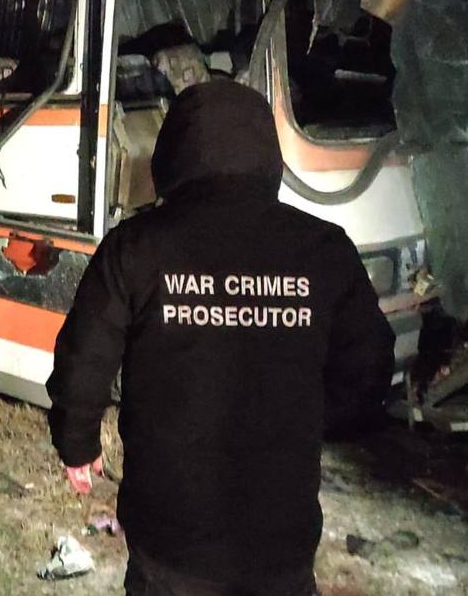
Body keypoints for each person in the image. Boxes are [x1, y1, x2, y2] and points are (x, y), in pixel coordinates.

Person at [47, 80, 395, 596]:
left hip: (169, 539)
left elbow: (84, 358)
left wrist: (77, 443)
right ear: (267, 153)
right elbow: (370, 369)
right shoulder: (323, 250)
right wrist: (304, 425)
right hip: (279, 539)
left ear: (174, 152)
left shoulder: (135, 247)